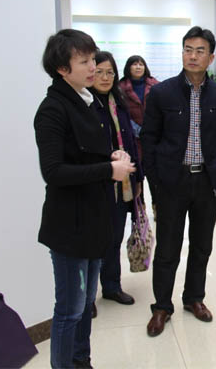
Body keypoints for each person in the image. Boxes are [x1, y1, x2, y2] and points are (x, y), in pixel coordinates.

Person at [35, 29, 136, 368]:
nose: (93, 67)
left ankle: (81, 361)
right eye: (84, 61)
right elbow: (54, 172)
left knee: (85, 307)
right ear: (62, 68)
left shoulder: (86, 101)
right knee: (70, 310)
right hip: (70, 226)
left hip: (94, 220)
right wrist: (108, 170)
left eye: (93, 58)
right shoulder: (52, 109)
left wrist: (112, 157)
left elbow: (85, 155)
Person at [141, 26, 216, 337]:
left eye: (200, 51)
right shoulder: (162, 93)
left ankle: (194, 298)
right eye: (188, 49)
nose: (193, 56)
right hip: (172, 180)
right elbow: (149, 138)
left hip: (208, 180)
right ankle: (161, 306)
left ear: (211, 57)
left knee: (202, 245)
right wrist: (155, 180)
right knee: (168, 247)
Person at [90, 51, 143, 307]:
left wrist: (138, 177)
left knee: (114, 237)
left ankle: (111, 286)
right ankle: (87, 297)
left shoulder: (118, 101)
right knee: (93, 241)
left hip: (123, 184)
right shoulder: (85, 105)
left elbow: (131, 141)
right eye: (99, 72)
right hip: (95, 184)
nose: (104, 77)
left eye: (109, 72)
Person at [119, 55, 159, 208]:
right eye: (134, 64)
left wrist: (150, 130)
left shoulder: (155, 85)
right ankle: (140, 210)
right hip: (132, 139)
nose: (138, 67)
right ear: (128, 67)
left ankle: (157, 207)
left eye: (141, 64)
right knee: (137, 176)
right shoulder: (120, 88)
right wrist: (136, 130)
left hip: (153, 138)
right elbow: (121, 113)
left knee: (155, 175)